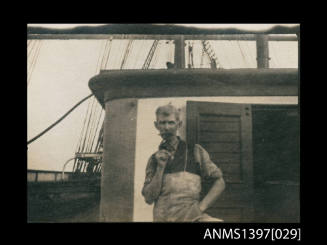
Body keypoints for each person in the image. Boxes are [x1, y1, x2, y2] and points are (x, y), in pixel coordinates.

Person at [141, 104, 225, 222]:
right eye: (162, 123)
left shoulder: (195, 151)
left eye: (171, 123)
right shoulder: (154, 159)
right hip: (163, 218)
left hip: (192, 217)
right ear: (156, 125)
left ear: (179, 124)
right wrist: (160, 168)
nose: (166, 127)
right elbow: (149, 198)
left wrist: (200, 208)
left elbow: (220, 182)